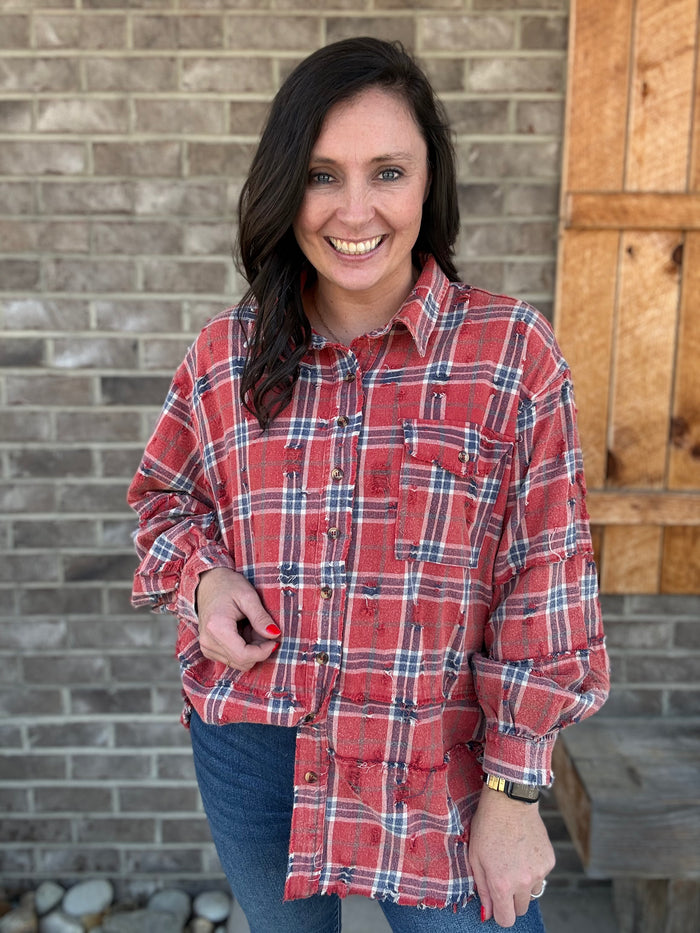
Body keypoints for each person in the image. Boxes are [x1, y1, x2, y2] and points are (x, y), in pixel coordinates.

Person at [128, 37, 609, 933]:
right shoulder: (223, 356)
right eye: (322, 174)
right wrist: (200, 580)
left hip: (443, 757)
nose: (355, 209)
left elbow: (547, 581)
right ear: (286, 187)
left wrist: (514, 793)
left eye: (387, 171)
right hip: (256, 743)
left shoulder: (508, 355)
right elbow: (164, 498)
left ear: (429, 184)